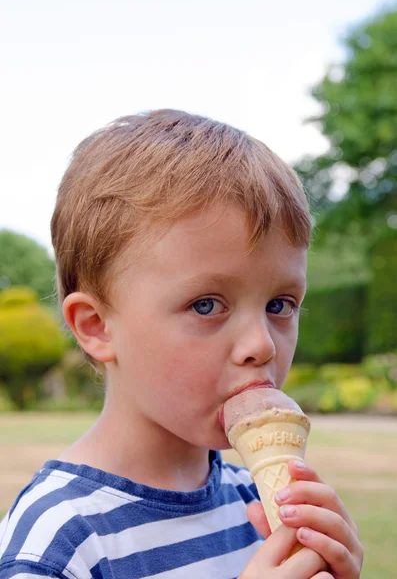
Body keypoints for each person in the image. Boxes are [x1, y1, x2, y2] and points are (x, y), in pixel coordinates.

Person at [0, 110, 363, 579]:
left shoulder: (257, 501)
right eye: (207, 305)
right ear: (97, 327)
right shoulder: (58, 540)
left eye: (280, 304)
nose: (261, 345)